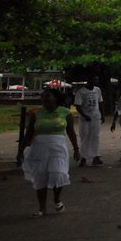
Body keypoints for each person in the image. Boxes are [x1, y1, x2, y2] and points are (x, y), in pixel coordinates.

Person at [21, 88, 79, 216]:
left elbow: (71, 132)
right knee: (40, 176)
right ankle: (42, 208)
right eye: (43, 96)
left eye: (48, 96)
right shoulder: (37, 114)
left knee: (58, 173)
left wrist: (76, 149)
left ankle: (57, 199)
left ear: (56, 98)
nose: (45, 99)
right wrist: (21, 150)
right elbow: (29, 133)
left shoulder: (65, 113)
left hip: (58, 147)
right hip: (40, 148)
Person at [73, 76, 104, 166]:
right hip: (85, 117)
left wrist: (102, 114)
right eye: (95, 79)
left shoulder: (97, 90)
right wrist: (84, 115)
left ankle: (96, 156)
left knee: (95, 136)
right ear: (89, 80)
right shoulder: (81, 92)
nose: (96, 81)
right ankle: (84, 157)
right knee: (85, 136)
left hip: (96, 116)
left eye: (97, 80)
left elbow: (100, 102)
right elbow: (78, 106)